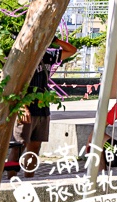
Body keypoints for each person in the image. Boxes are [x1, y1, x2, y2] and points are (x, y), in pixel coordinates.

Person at [10, 37, 76, 177]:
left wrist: (55, 40)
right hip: (26, 107)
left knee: (35, 146)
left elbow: (72, 50)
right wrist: (21, 106)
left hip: (42, 108)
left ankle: (29, 178)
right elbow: (14, 84)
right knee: (18, 146)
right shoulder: (21, 57)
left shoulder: (48, 54)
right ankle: (11, 179)